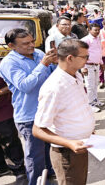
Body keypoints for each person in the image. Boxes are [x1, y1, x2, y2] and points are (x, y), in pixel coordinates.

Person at [0, 28, 57, 185]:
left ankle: (49, 174)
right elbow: (25, 86)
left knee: (48, 149)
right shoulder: (8, 64)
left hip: (48, 110)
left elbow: (53, 75)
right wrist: (43, 64)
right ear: (11, 46)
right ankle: (35, 181)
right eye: (26, 44)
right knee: (34, 155)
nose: (32, 45)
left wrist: (56, 63)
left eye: (32, 41)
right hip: (29, 115)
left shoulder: (37, 53)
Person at [33, 39, 95, 185]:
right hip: (67, 153)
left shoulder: (76, 75)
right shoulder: (54, 87)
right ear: (70, 58)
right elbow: (37, 130)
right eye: (85, 57)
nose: (87, 60)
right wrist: (69, 143)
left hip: (80, 146)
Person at [0, 50, 26, 183]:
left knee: (9, 141)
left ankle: (19, 171)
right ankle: (1, 167)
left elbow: (14, 84)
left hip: (2, 112)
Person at [81, 23, 105, 112]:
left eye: (98, 30)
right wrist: (82, 67)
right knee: (89, 86)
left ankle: (95, 100)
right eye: (95, 30)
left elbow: (99, 51)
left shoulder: (98, 38)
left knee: (95, 84)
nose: (97, 32)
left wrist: (101, 63)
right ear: (89, 30)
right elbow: (81, 54)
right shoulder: (85, 40)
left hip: (96, 65)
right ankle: (89, 104)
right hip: (88, 66)